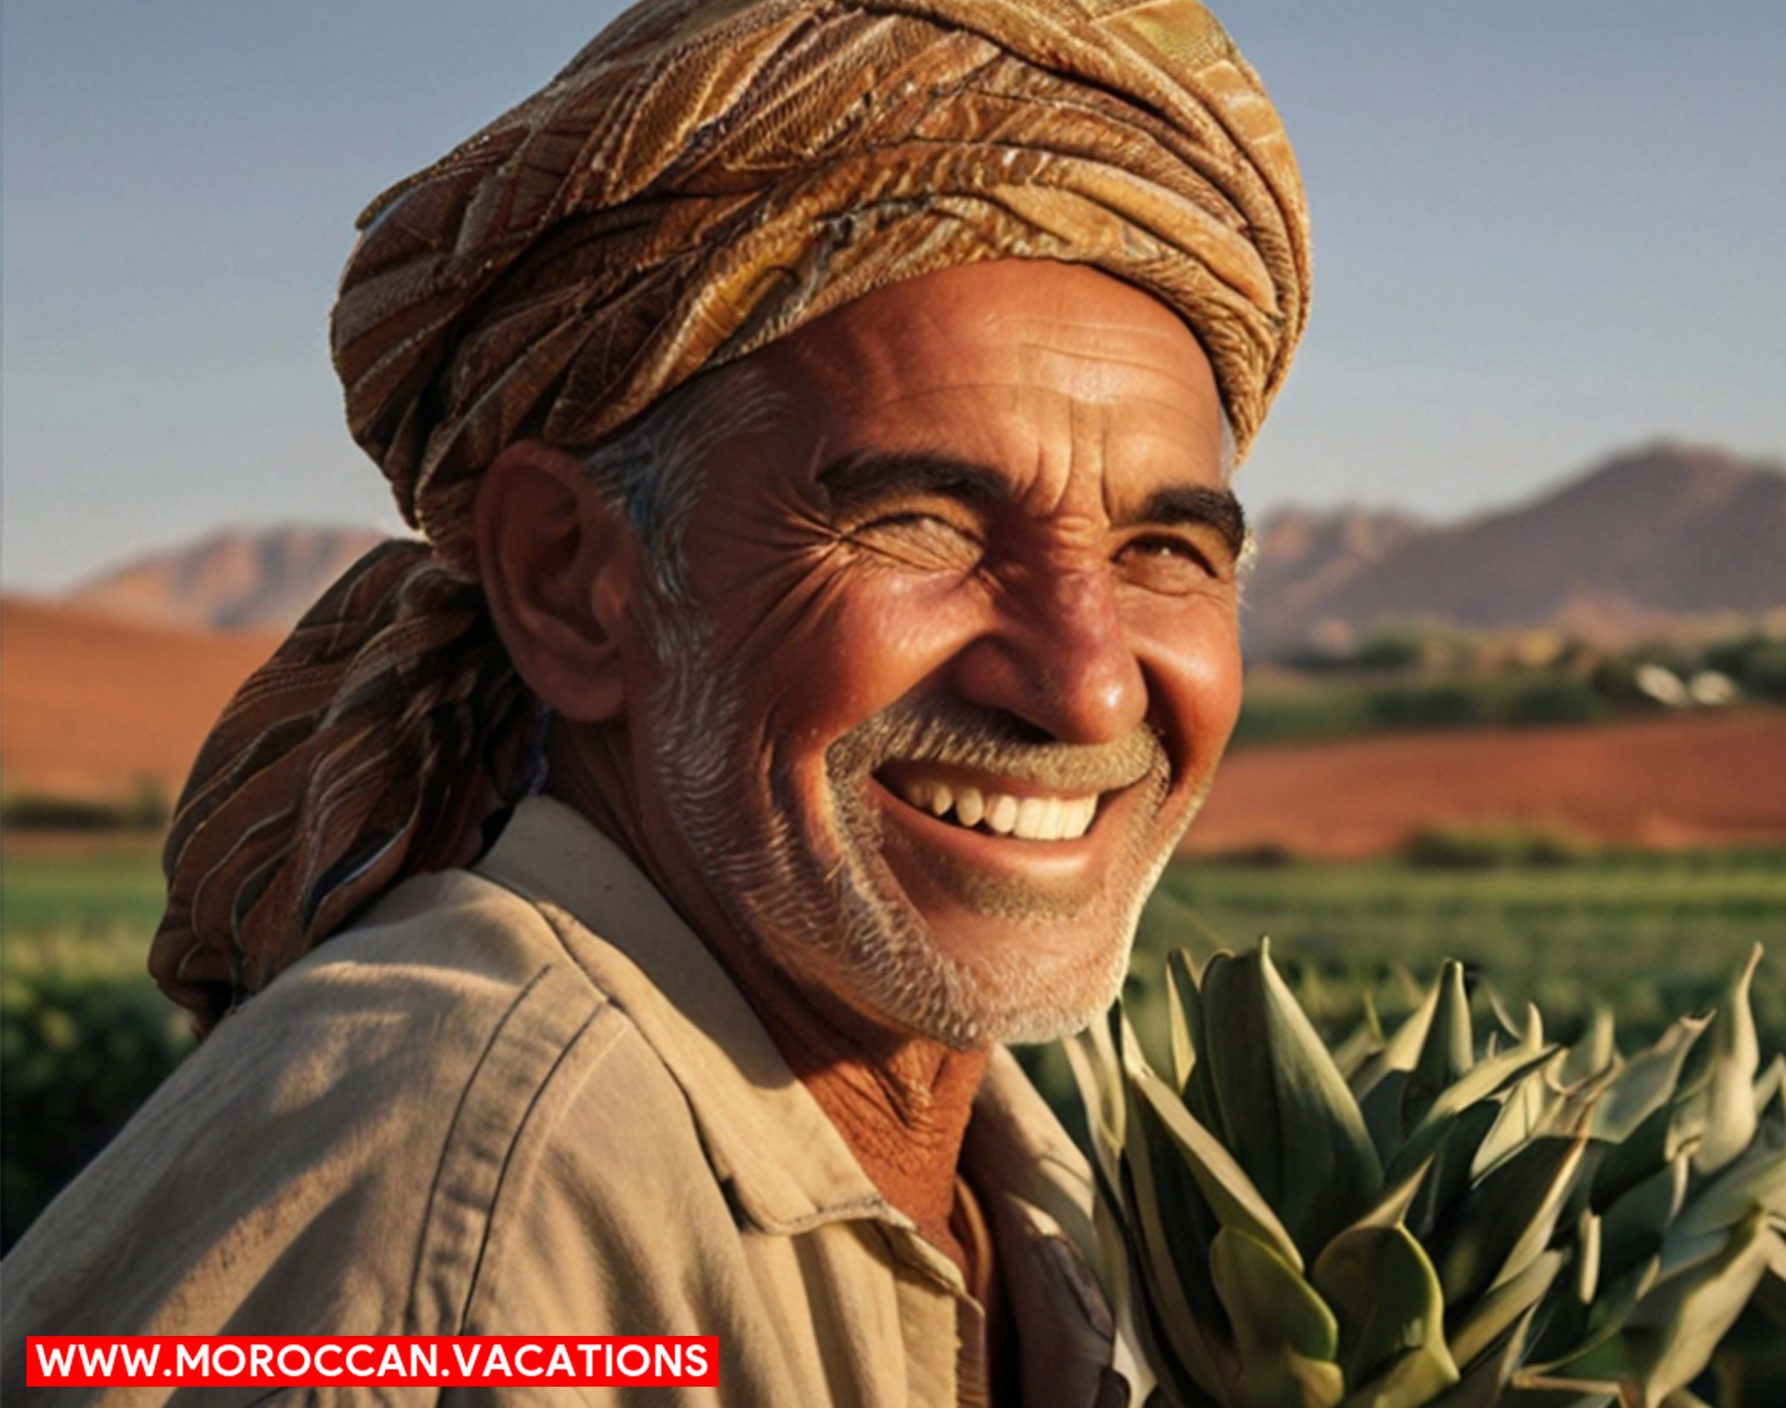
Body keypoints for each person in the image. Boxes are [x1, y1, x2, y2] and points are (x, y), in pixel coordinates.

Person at [0, 0, 1308, 1402]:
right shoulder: (470, 1229)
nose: (1089, 679)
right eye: (922, 521)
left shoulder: (1044, 1197)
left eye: (1163, 551)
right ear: (572, 585)